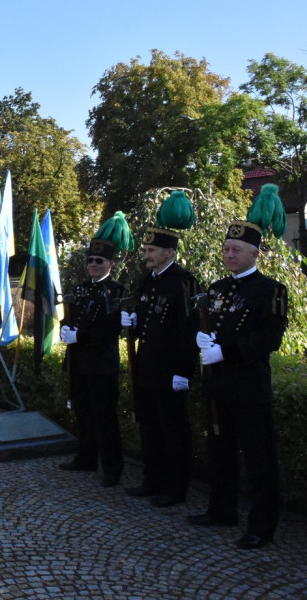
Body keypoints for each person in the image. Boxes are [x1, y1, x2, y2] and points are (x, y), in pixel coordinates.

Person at [190, 184, 289, 550]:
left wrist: (225, 353)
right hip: (218, 386)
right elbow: (205, 327)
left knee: (260, 460)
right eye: (226, 249)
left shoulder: (270, 290)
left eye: (236, 250)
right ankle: (222, 510)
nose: (228, 255)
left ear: (253, 253)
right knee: (220, 453)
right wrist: (201, 342)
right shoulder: (216, 289)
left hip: (248, 388)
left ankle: (262, 526)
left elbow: (268, 340)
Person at [120, 191, 200, 508]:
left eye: (151, 250)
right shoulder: (148, 281)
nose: (146, 255)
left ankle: (174, 488)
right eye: (146, 249)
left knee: (173, 431)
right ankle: (151, 480)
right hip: (148, 366)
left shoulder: (184, 282)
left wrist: (184, 371)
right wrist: (133, 322)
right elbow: (146, 323)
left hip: (170, 370)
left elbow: (190, 330)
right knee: (151, 427)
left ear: (169, 252)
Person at [59, 212, 132, 488]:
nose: (93, 264)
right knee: (83, 413)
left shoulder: (115, 291)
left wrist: (81, 335)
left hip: (101, 364)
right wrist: (67, 329)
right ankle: (85, 458)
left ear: (110, 264)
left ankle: (112, 468)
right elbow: (72, 317)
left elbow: (111, 329)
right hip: (79, 361)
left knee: (105, 418)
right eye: (90, 260)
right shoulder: (80, 289)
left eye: (98, 261)